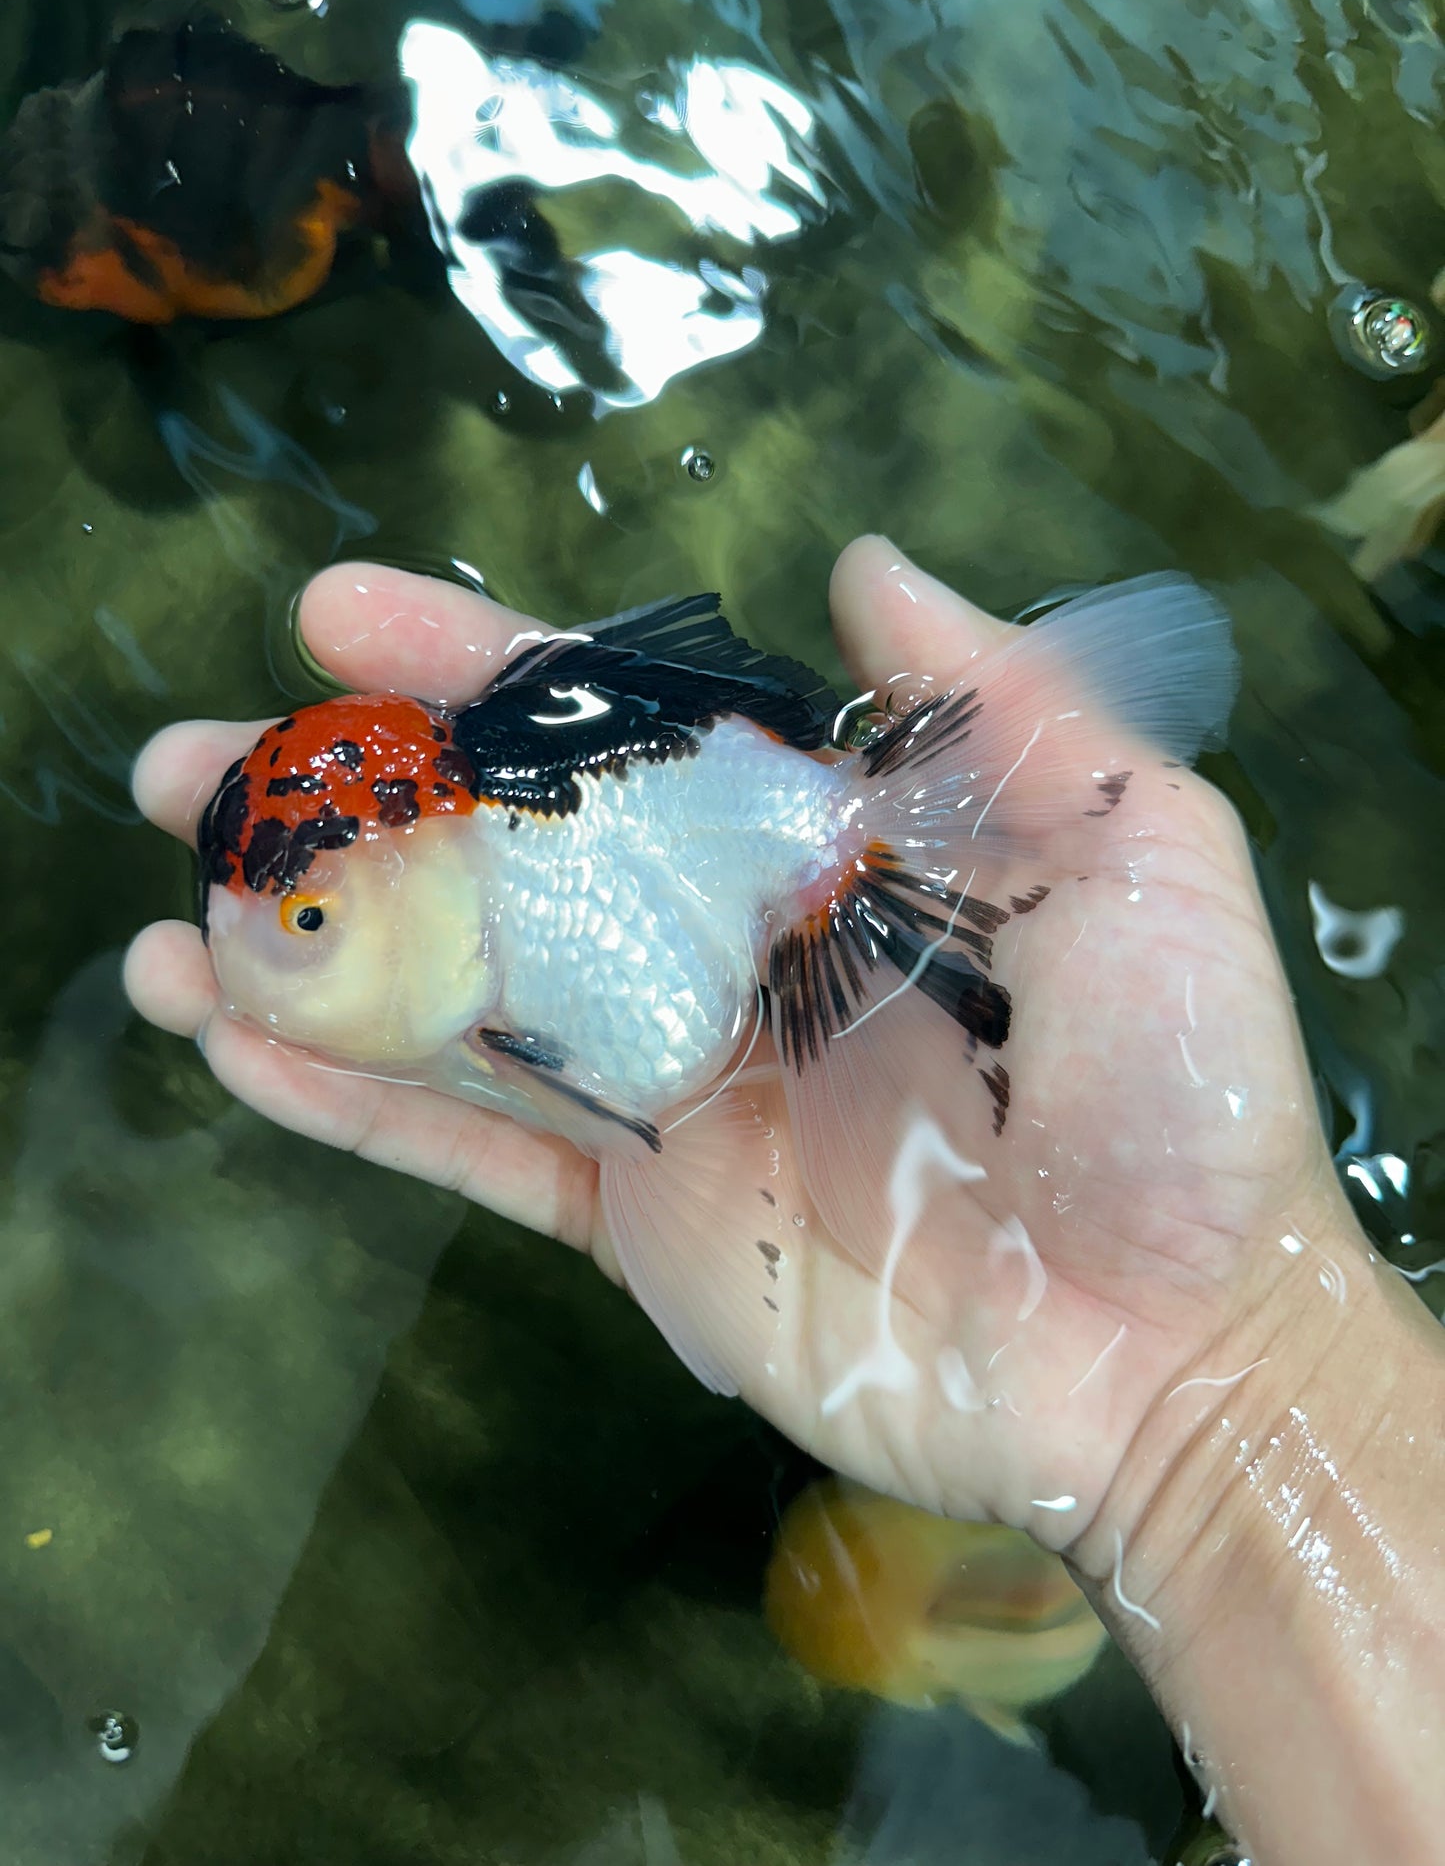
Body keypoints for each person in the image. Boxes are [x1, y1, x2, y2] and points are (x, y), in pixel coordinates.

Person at [124, 536, 1445, 1865]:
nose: (271, 963)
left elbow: (648, 1111)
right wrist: (1217, 1417)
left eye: (308, 927)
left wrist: (1210, 1407)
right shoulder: (490, 916)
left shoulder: (595, 879)